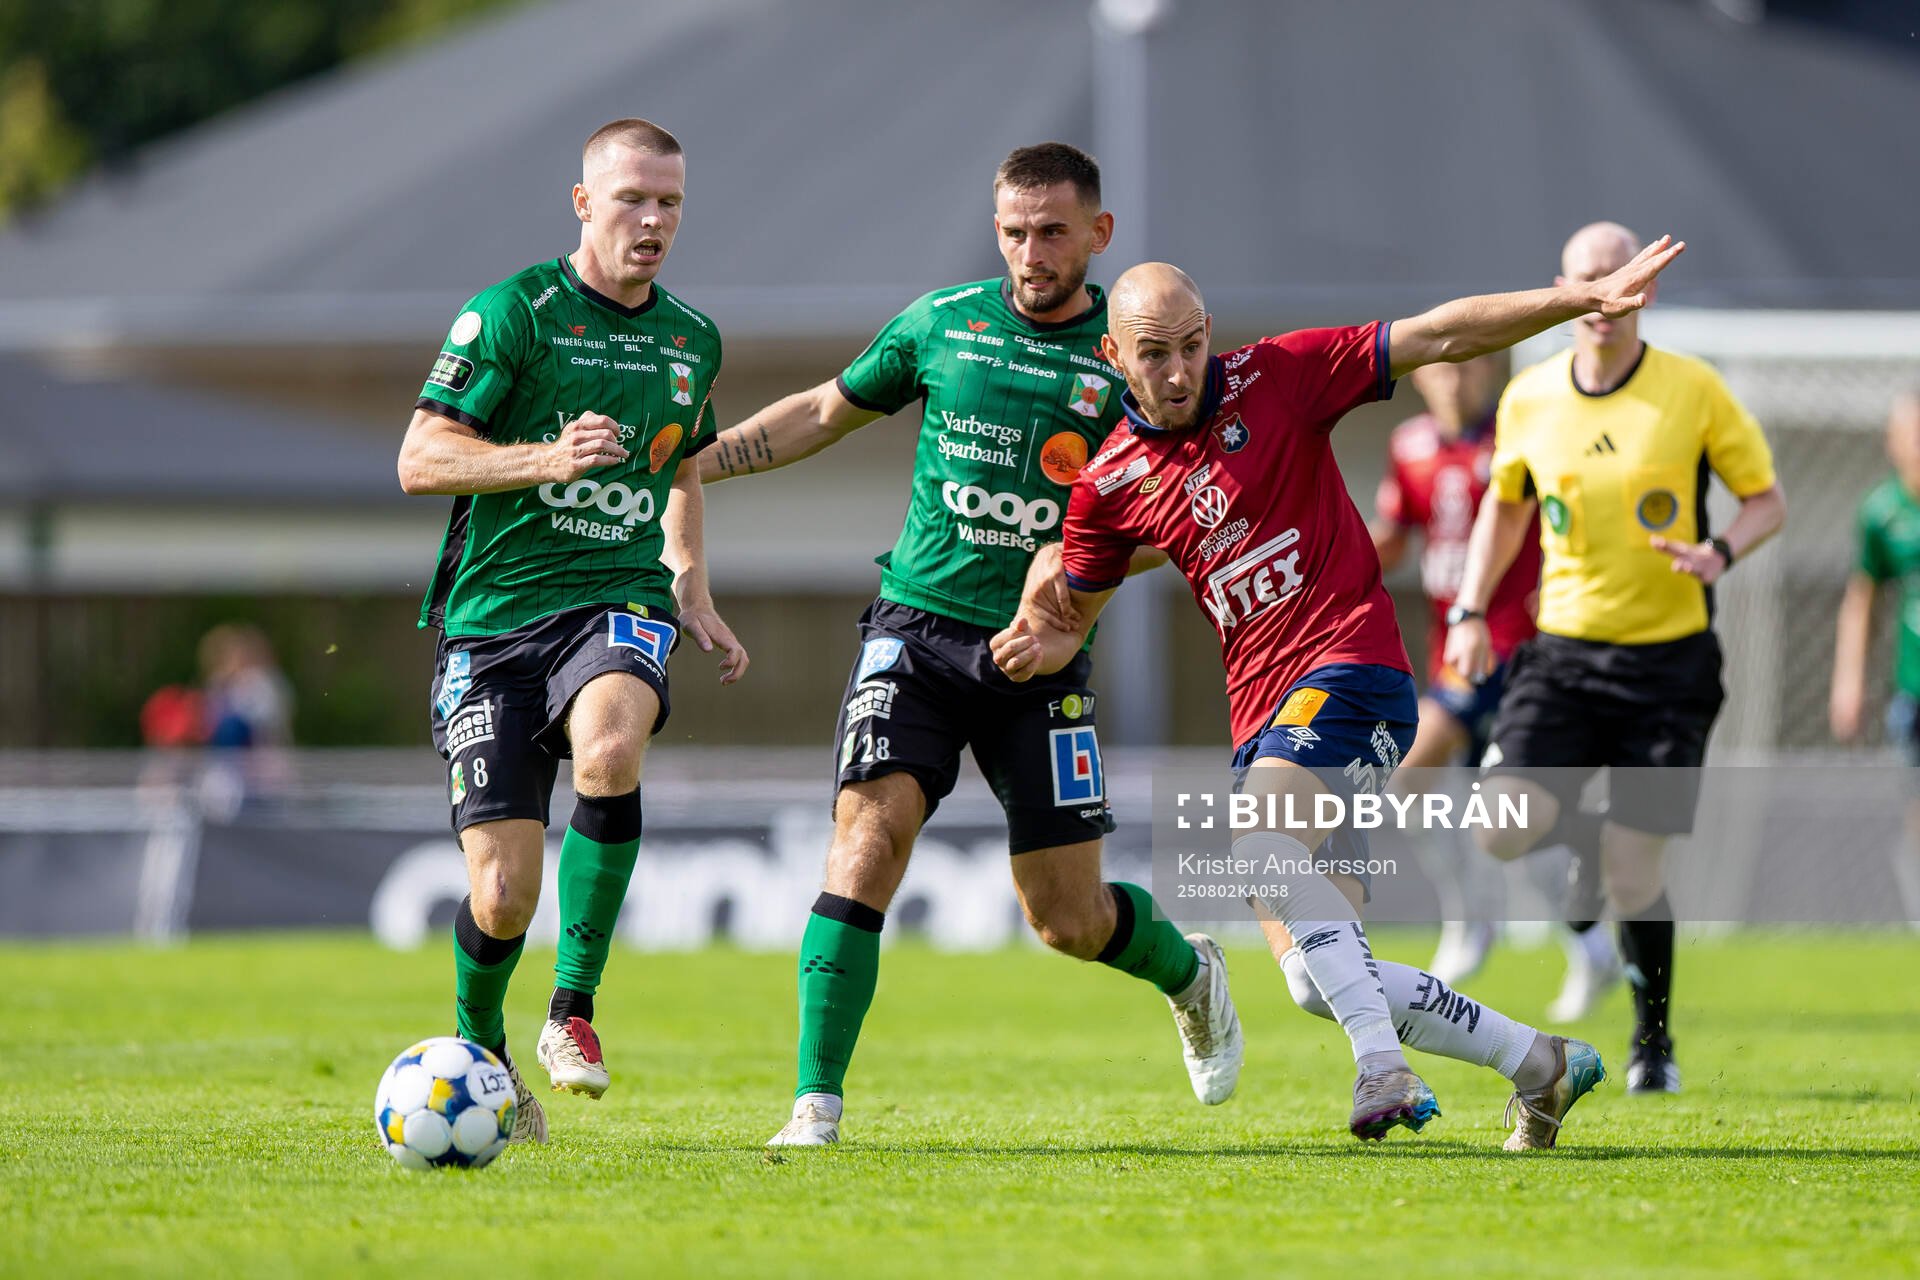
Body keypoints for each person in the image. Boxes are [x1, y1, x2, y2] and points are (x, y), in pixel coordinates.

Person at [992, 252, 1684, 1147]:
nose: (1178, 370)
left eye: (1193, 345)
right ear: (1116, 358)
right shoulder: (1107, 486)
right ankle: (1541, 1064)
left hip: (1354, 673)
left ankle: (1381, 1069)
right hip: (1266, 718)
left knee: (1258, 841)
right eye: (1154, 353)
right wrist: (1039, 639)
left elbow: (1440, 332)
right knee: (1316, 978)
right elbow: (1073, 610)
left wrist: (1569, 301)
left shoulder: (1279, 376)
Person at [700, 143, 1240, 1147]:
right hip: (914, 630)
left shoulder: (1134, 357)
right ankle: (814, 1105)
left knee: (1069, 918)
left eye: (1050, 233)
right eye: (1012, 232)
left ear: (1099, 235)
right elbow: (826, 408)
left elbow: (1188, 518)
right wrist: (707, 458)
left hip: (1041, 659)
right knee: (865, 840)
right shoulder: (942, 323)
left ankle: (1189, 970)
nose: (1030, 254)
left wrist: (1075, 582)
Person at [396, 118, 748, 1145]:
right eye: (632, 199)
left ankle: (572, 1011)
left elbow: (683, 461)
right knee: (502, 893)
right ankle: (481, 1050)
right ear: (584, 203)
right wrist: (543, 459)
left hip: (618, 598)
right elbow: (421, 458)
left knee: (610, 742)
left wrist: (689, 579)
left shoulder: (691, 337)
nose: (653, 220)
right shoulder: (513, 313)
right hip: (492, 625)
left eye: (670, 202)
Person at [1446, 222, 1787, 1095]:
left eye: (1617, 276)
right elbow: (1506, 511)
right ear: (1562, 291)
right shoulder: (1530, 395)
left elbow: (1766, 501)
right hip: (1560, 652)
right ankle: (1586, 840)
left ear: (1644, 289)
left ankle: (1654, 1041)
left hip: (1669, 666)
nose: (1602, 294)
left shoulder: (1693, 391)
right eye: (1584, 279)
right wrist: (1474, 610)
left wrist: (1720, 552)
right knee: (1497, 824)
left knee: (1639, 875)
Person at [1372, 357, 1619, 1013]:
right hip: (1455, 651)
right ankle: (1494, 920)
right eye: (1442, 369)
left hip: (1520, 649)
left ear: (1489, 372)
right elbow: (1394, 539)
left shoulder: (1516, 445)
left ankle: (1570, 937)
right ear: (1420, 378)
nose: (1456, 379)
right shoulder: (1411, 448)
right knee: (1440, 793)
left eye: (1470, 367)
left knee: (1493, 806)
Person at [1830, 389, 1920, 923]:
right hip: (1912, 690)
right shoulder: (1883, 513)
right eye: (1906, 434)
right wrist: (1849, 681)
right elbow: (1862, 599)